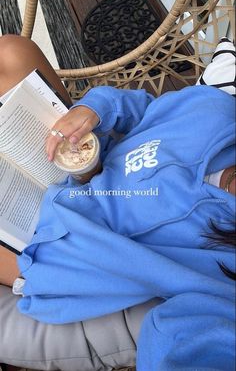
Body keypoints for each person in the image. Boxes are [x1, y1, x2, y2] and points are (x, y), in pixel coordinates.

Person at [0, 34, 235, 371]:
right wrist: (94, 109)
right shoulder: (217, 113)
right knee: (11, 50)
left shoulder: (224, 271)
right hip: (75, 161)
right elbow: (144, 109)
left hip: (45, 246)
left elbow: (185, 347)